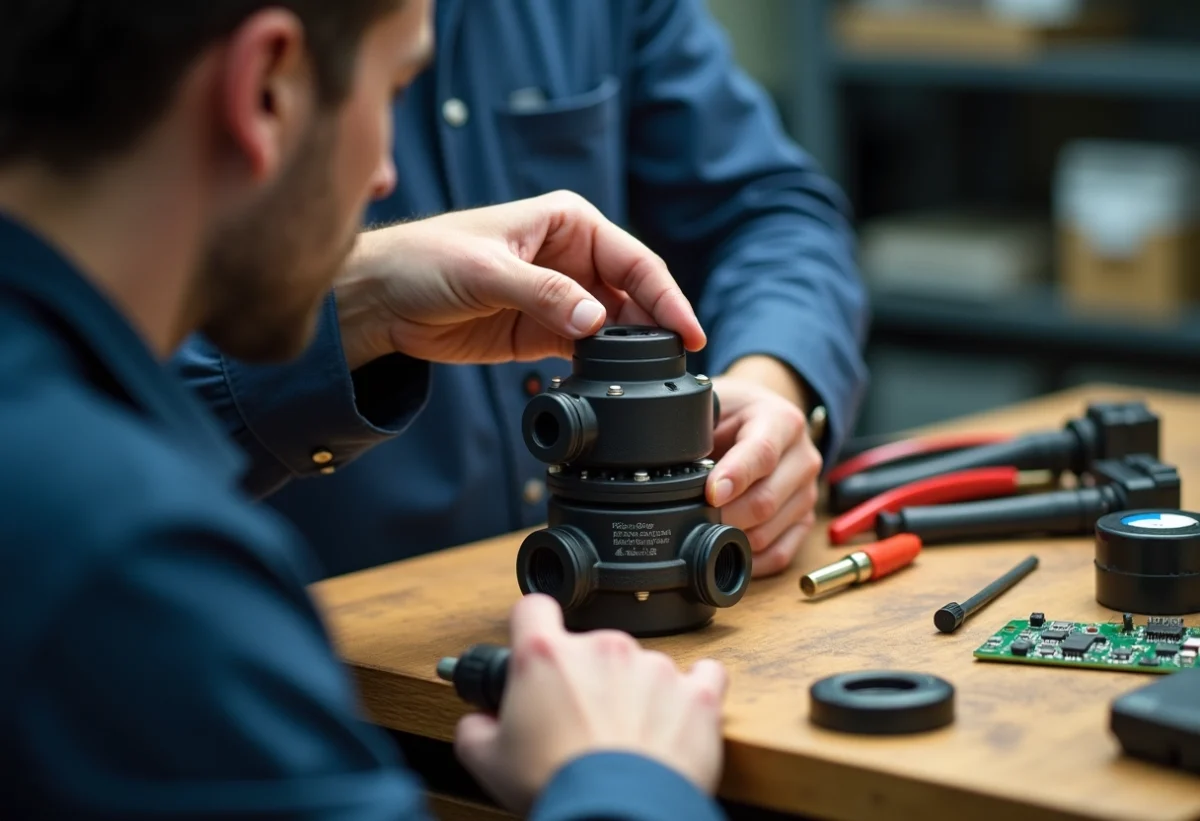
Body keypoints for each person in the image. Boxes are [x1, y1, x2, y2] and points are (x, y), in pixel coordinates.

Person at [0, 1, 730, 818]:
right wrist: (623, 778)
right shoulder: (136, 567)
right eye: (392, 88)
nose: (385, 179)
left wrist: (360, 299)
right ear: (266, 90)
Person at [177, 0, 871, 580]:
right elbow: (99, 383)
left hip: (587, 647)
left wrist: (772, 388)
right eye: (387, 93)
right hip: (314, 656)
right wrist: (349, 305)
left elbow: (771, 213)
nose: (383, 176)